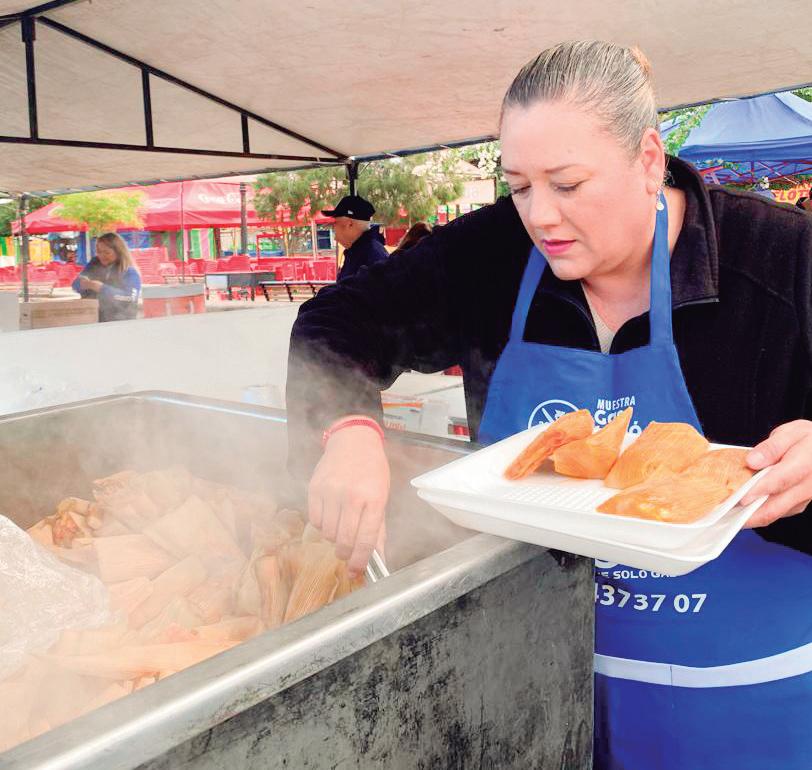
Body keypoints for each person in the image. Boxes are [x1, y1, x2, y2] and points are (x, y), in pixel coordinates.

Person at [286, 40, 812, 769]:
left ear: (648, 160)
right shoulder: (490, 255)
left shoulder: (783, 258)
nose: (541, 216)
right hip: (533, 679)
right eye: (520, 185)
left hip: (741, 697)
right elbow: (334, 323)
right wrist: (347, 429)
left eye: (567, 184)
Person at [72, 232, 141, 322]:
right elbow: (75, 285)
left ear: (118, 252)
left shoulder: (129, 271)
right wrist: (83, 284)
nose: (102, 256)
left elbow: (129, 298)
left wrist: (101, 288)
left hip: (121, 322)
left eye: (107, 252)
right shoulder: (94, 263)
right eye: (99, 252)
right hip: (95, 320)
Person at [323, 195, 388, 280]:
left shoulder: (372, 256)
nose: (333, 227)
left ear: (349, 224)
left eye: (335, 222)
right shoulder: (358, 251)